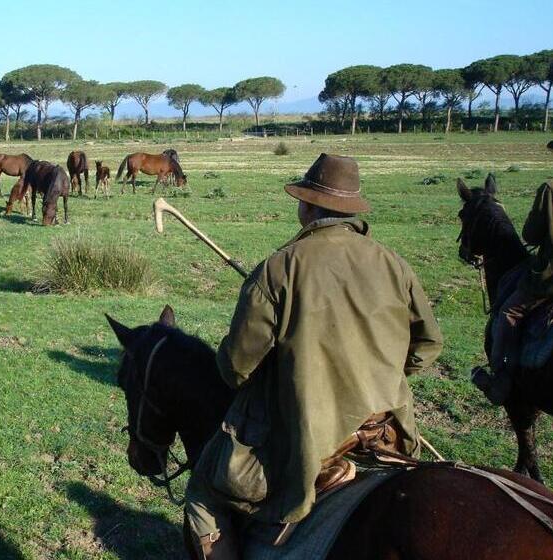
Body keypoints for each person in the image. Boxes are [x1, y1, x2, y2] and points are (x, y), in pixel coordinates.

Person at [184, 153, 444, 559]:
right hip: (387, 430)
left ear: (306, 205)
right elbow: (428, 344)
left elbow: (235, 367)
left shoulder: (279, 269)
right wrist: (382, 374)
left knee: (204, 489)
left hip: (310, 436)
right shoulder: (396, 264)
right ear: (350, 210)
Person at [472, 180, 553, 405]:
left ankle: (500, 381)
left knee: (510, 311)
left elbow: (531, 235)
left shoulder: (550, 188)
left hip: (550, 280)